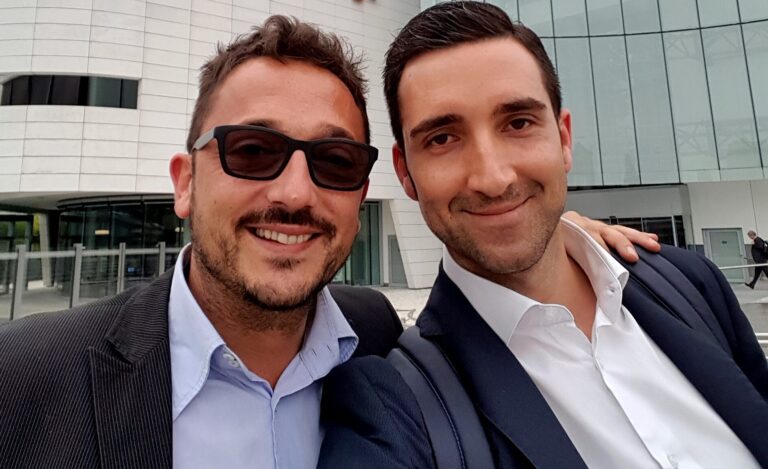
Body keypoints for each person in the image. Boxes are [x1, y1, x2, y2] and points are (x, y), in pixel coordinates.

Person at [0, 13, 655, 469]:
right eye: (252, 150)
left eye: (334, 161)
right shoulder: (25, 376)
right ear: (186, 182)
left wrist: (551, 228)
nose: (294, 193)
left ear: (362, 194)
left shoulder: (378, 336)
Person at [318, 3, 768, 468]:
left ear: (564, 139)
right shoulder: (394, 406)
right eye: (443, 139)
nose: (493, 179)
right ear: (405, 173)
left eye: (518, 123)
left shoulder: (692, 285)